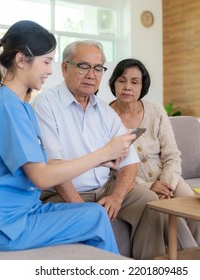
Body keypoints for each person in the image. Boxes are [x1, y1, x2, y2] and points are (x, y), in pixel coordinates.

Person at [0, 21, 135, 254]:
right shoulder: (7, 107)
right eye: (47, 62)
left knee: (95, 214)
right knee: (94, 219)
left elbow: (42, 166)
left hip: (20, 212)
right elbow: (41, 177)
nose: (50, 70)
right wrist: (103, 152)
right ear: (21, 60)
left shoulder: (22, 107)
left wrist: (101, 160)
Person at [32, 40, 165, 260]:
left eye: (97, 68)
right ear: (65, 68)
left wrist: (116, 197)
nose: (91, 74)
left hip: (105, 188)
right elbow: (52, 168)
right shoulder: (46, 105)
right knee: (88, 217)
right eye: (83, 66)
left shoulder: (105, 111)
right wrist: (83, 211)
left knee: (148, 201)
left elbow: (129, 162)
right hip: (60, 193)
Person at [109, 58, 200, 249]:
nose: (127, 86)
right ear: (114, 83)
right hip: (135, 185)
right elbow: (110, 171)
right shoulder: (105, 116)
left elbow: (172, 155)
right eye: (122, 80)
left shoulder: (155, 111)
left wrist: (166, 186)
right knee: (164, 211)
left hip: (168, 179)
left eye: (134, 82)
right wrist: (150, 186)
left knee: (194, 205)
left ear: (142, 86)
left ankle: (191, 253)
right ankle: (194, 258)